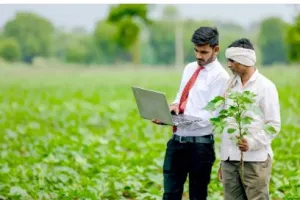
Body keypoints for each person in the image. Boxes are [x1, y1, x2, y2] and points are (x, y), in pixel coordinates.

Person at [153, 26, 229, 200]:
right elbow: (181, 97)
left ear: (216, 49)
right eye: (196, 50)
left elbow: (212, 116)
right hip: (177, 142)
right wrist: (171, 109)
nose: (198, 56)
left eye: (203, 52)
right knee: (170, 194)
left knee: (197, 196)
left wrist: (175, 121)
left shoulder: (221, 77)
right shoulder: (189, 68)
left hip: (200, 147)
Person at [219, 38, 281, 200]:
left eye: (232, 61)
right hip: (229, 160)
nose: (229, 65)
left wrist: (252, 142)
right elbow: (226, 122)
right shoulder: (230, 85)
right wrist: (223, 161)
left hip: (255, 161)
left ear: (245, 60)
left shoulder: (265, 87)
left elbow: (273, 124)